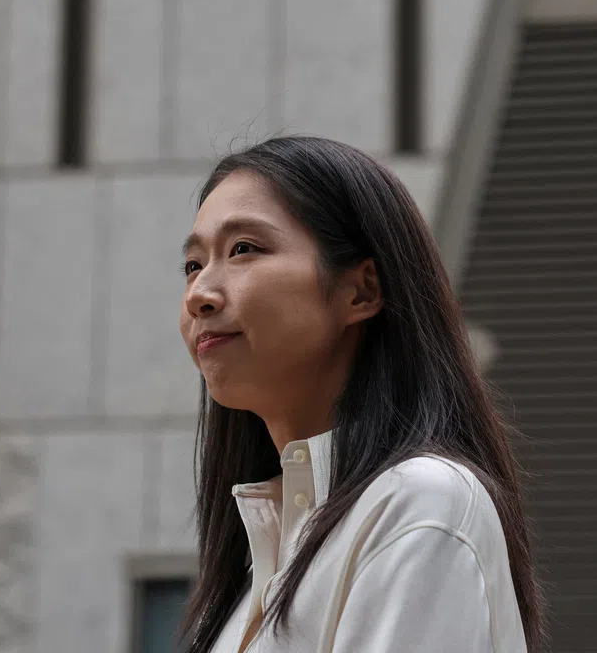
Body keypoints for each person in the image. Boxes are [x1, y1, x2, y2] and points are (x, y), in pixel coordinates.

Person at [177, 136, 543, 653]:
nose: (198, 295)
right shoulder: (261, 560)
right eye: (193, 265)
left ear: (361, 291)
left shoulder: (421, 502)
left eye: (244, 250)